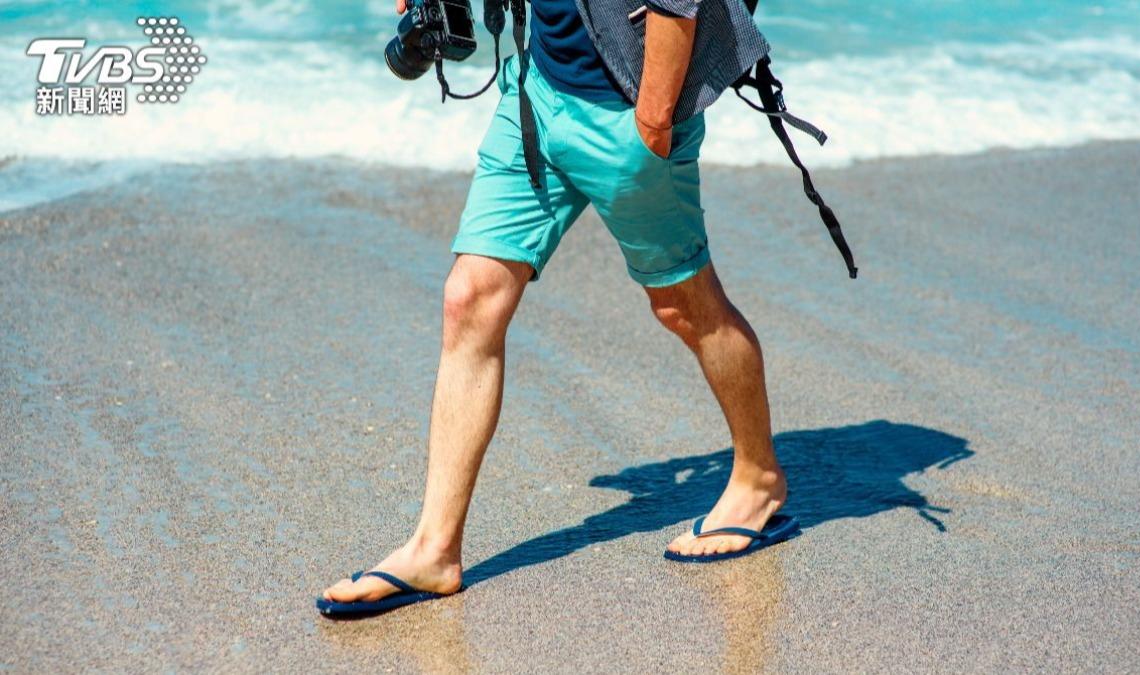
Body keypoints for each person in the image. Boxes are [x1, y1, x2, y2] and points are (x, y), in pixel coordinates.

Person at [319, 0, 797, 613]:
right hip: (534, 95)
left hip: (627, 117)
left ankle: (758, 476)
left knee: (683, 305)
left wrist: (650, 127)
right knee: (469, 299)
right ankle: (434, 549)